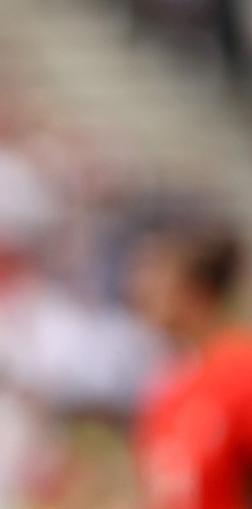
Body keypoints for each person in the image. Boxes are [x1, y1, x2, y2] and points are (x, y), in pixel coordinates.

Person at [129, 212, 252, 509]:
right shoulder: (171, 381)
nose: (141, 290)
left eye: (157, 275)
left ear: (197, 289)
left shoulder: (240, 373)